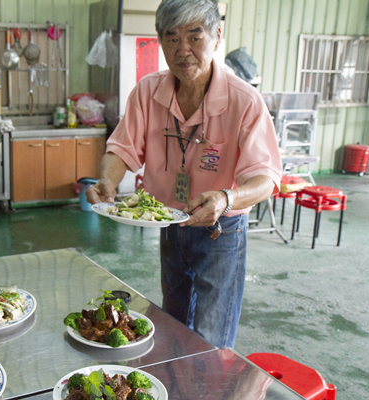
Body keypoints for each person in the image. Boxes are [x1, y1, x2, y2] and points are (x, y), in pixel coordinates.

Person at [86, 0, 282, 349]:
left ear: (217, 36)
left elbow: (265, 179)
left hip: (220, 233)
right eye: (172, 39)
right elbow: (121, 149)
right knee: (172, 327)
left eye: (195, 36)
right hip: (169, 227)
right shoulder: (147, 91)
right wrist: (108, 181)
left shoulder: (245, 102)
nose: (183, 50)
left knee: (212, 338)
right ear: (160, 41)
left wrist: (226, 198)